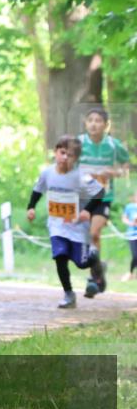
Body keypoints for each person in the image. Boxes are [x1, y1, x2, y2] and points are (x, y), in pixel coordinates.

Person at [26, 136, 107, 309]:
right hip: (57, 226)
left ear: (75, 159)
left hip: (78, 228)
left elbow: (100, 192)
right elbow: (38, 189)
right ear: (55, 152)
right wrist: (31, 207)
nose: (65, 158)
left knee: (81, 263)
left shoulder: (80, 176)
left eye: (69, 155)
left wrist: (87, 210)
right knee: (60, 257)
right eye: (62, 153)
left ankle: (95, 260)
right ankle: (69, 294)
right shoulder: (47, 173)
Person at [78, 107, 129, 293]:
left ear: (106, 125)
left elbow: (126, 166)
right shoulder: (78, 143)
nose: (93, 124)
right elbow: (66, 164)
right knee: (82, 239)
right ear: (85, 123)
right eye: (90, 120)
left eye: (98, 120)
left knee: (94, 234)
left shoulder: (114, 145)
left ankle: (94, 278)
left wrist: (115, 172)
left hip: (103, 197)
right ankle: (99, 270)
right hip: (82, 196)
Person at [122, 190, 137, 282]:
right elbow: (124, 218)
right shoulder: (129, 207)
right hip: (132, 235)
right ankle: (130, 272)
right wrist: (130, 223)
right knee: (135, 255)